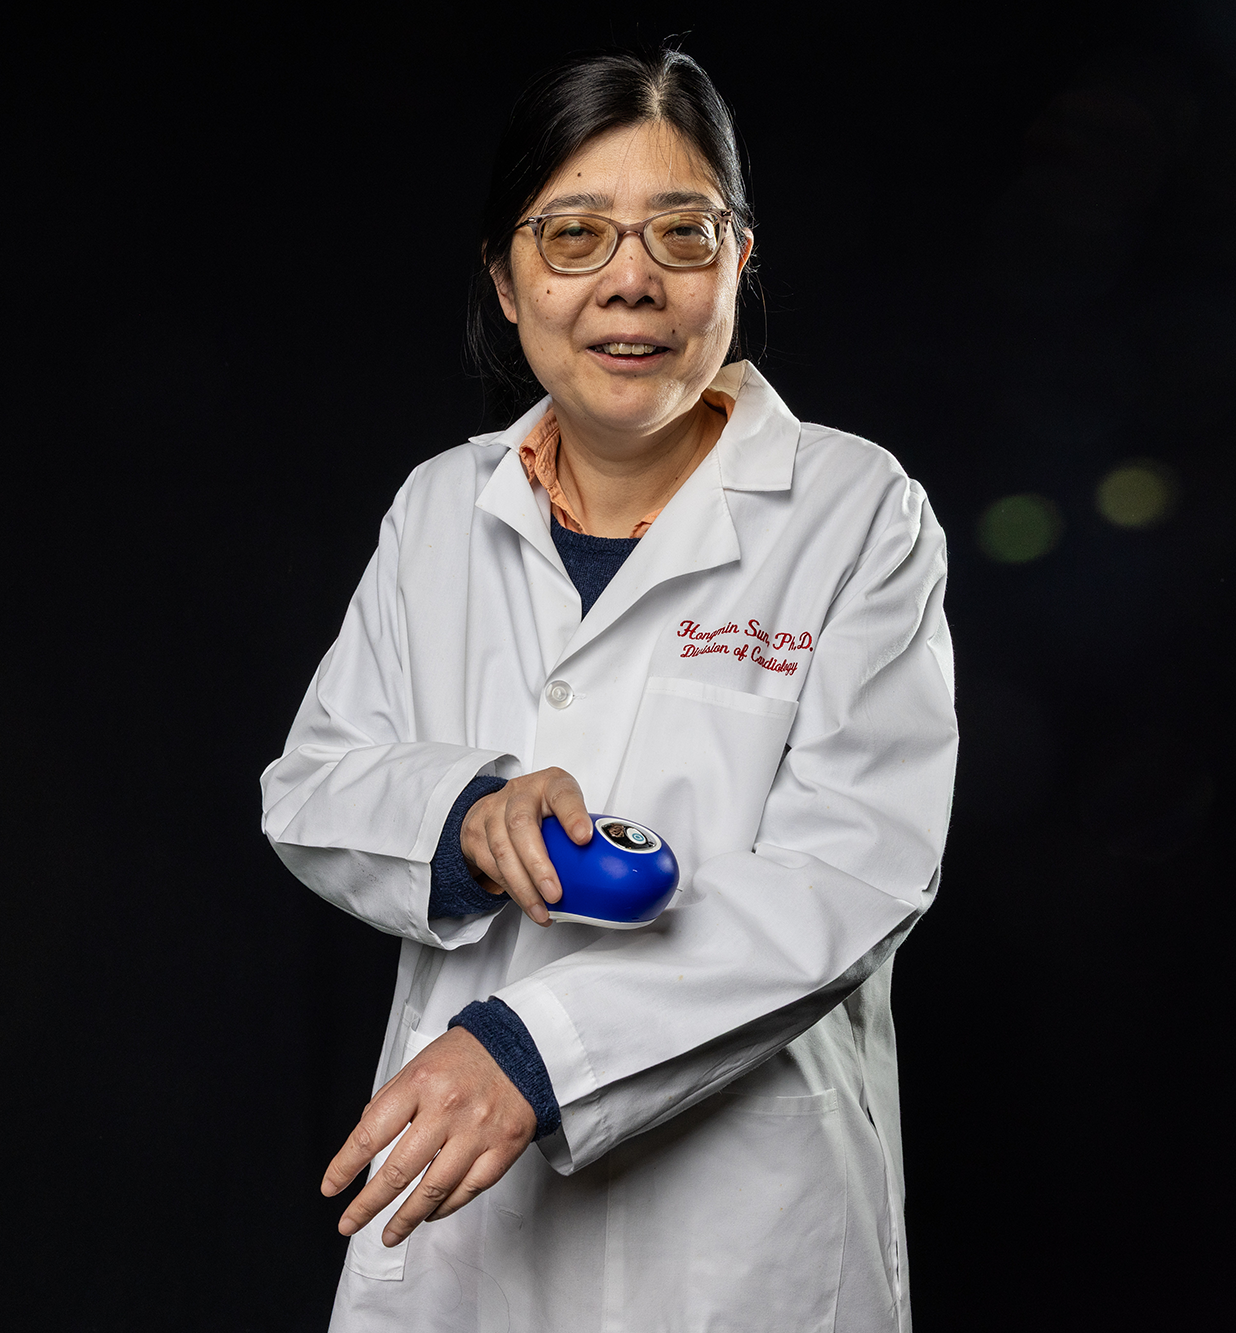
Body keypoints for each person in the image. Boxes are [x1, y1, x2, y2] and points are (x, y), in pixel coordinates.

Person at [260, 45, 956, 1332]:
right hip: (466, 1233)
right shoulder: (437, 508)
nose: (630, 279)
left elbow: (854, 870)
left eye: (681, 233)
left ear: (737, 262)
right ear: (504, 277)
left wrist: (532, 1050)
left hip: (741, 1242)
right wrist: (467, 815)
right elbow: (312, 785)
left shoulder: (855, 509)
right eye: (573, 233)